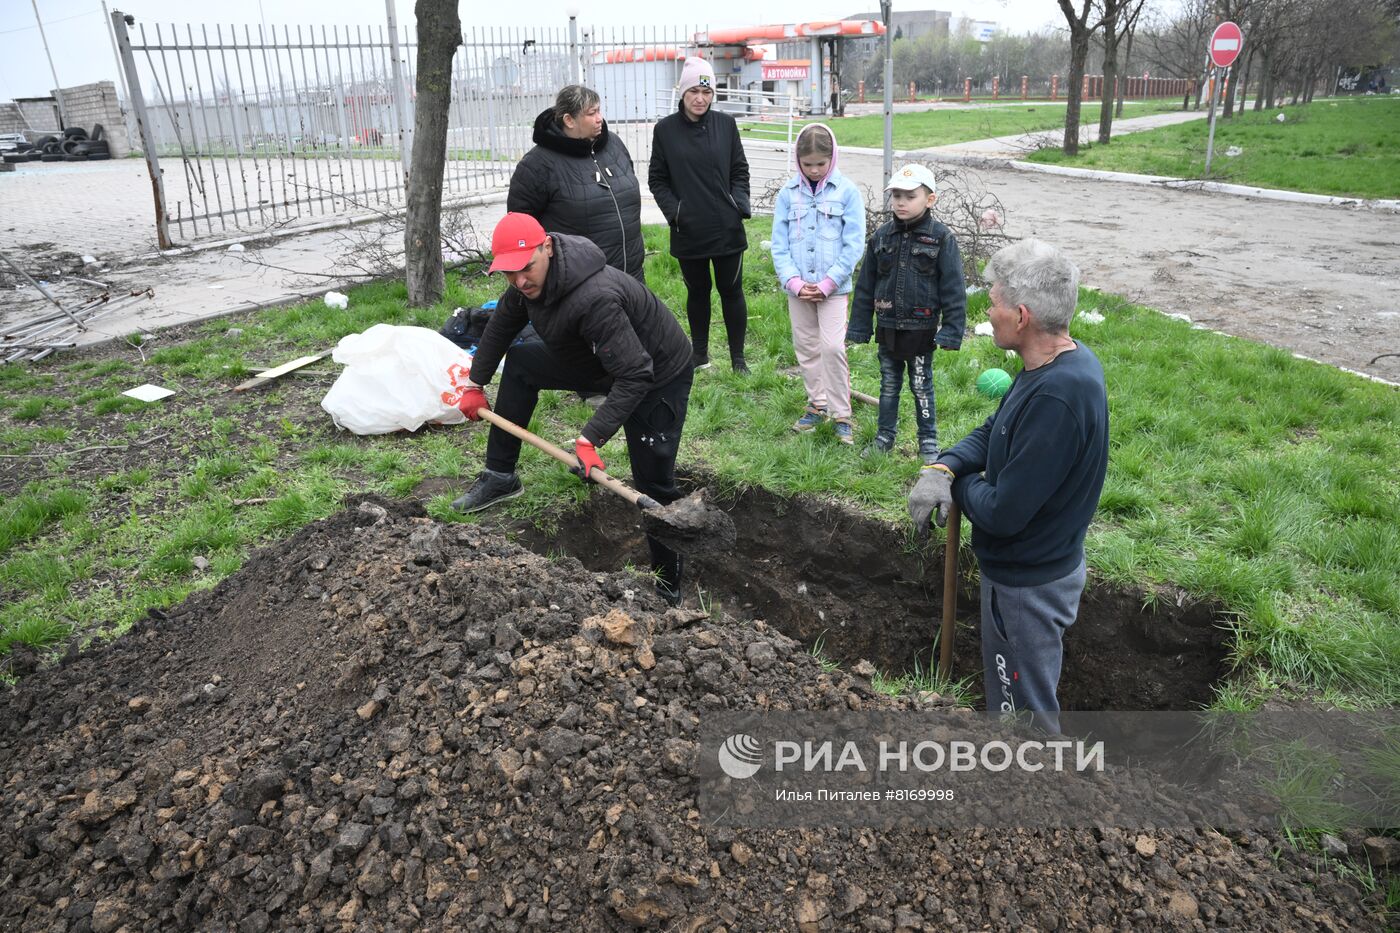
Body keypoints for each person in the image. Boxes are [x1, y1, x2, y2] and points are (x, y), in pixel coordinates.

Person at [907, 239, 1109, 734]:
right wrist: (945, 468)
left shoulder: (1058, 398)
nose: (987, 311)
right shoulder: (1053, 364)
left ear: (1021, 316)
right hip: (1027, 571)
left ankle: (1034, 792)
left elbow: (1001, 513)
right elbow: (994, 429)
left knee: (1024, 715)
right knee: (1014, 703)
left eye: (993, 302)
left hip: (1028, 586)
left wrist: (960, 489)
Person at [451, 213, 694, 606]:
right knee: (522, 364)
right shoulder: (526, 284)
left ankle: (669, 588)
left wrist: (589, 438)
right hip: (597, 359)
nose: (519, 281)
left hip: (656, 374)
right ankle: (500, 476)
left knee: (653, 483)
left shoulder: (594, 297)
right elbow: (499, 328)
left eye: (526, 268)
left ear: (546, 247)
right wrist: (475, 384)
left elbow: (635, 375)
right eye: (509, 274)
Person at [847, 163, 966, 464]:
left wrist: (952, 330)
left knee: (921, 384)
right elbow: (866, 285)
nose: (901, 202)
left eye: (910, 196)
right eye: (896, 195)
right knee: (888, 383)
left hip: (921, 329)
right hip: (887, 326)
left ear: (930, 200)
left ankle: (928, 442)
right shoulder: (881, 237)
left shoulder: (941, 238)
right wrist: (860, 327)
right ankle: (884, 437)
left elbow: (953, 288)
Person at [648, 57, 752, 372]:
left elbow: (740, 170)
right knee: (698, 292)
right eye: (694, 90)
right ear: (683, 92)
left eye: (706, 92)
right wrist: (675, 212)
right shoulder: (665, 130)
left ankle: (738, 359)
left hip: (726, 228)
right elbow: (657, 179)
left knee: (731, 290)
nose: (700, 98)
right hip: (688, 229)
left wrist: (739, 204)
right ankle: (700, 354)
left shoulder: (726, 125)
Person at [770, 123, 865, 444]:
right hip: (798, 289)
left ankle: (841, 413)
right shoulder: (787, 195)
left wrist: (827, 283)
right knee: (807, 348)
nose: (813, 170)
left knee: (832, 347)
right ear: (798, 161)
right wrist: (793, 282)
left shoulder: (847, 192)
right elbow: (779, 245)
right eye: (807, 164)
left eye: (820, 164)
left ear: (832, 158)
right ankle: (818, 403)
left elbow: (854, 244)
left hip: (833, 290)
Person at [507, 85, 645, 282]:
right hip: (581, 283)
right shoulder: (537, 164)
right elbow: (520, 228)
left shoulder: (614, 144)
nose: (600, 118)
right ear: (569, 120)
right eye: (591, 113)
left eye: (599, 110)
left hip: (632, 275)